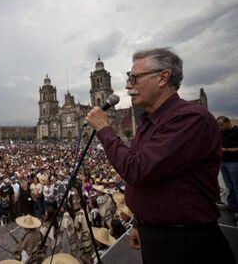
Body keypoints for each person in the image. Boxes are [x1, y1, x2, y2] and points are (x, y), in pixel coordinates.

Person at [86, 47, 235, 264]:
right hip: (156, 233)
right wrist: (140, 223)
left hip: (185, 243)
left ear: (163, 77)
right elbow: (155, 183)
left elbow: (136, 169)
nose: (128, 85)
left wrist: (103, 128)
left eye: (134, 78)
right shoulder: (149, 122)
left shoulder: (189, 119)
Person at [217, 116, 238, 221]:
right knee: (229, 186)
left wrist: (226, 150)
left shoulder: (236, 131)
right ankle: (232, 206)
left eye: (221, 125)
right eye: (218, 126)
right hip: (223, 162)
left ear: (228, 122)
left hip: (234, 163)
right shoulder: (221, 133)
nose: (220, 128)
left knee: (236, 186)